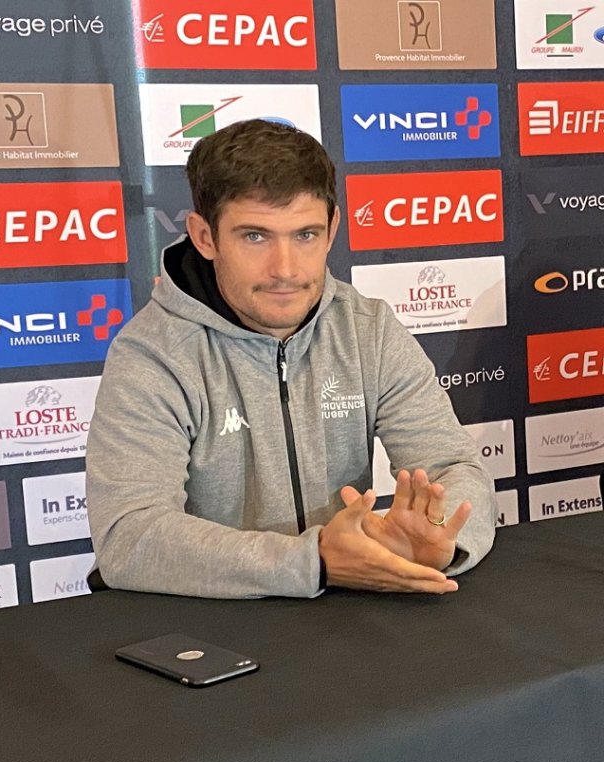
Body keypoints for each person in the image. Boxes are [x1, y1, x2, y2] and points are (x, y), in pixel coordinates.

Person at [85, 119, 496, 599]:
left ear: (332, 229)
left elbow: (457, 471)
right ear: (204, 237)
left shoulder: (369, 329)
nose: (285, 269)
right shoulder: (153, 354)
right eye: (255, 237)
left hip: (344, 615)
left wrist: (436, 537)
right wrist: (313, 560)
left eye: (305, 235)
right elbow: (129, 536)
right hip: (206, 626)